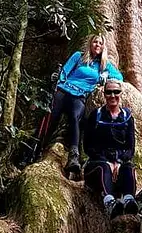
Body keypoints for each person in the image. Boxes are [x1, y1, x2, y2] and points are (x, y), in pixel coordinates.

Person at [50, 34, 123, 180]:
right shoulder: (79, 56)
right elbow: (65, 70)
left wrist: (106, 76)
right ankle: (37, 146)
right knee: (53, 115)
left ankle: (74, 156)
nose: (97, 45)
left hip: (80, 95)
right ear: (90, 44)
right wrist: (60, 85)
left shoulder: (104, 65)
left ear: (104, 47)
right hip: (64, 90)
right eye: (95, 42)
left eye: (100, 43)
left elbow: (119, 77)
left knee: (75, 117)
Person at [83, 79, 138, 217]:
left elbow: (130, 148)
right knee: (104, 168)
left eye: (116, 92)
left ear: (121, 93)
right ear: (104, 94)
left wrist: (118, 162)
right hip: (98, 166)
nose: (113, 96)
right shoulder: (96, 116)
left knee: (129, 168)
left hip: (119, 165)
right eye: (109, 92)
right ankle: (109, 203)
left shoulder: (127, 117)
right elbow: (87, 146)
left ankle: (129, 201)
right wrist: (106, 161)